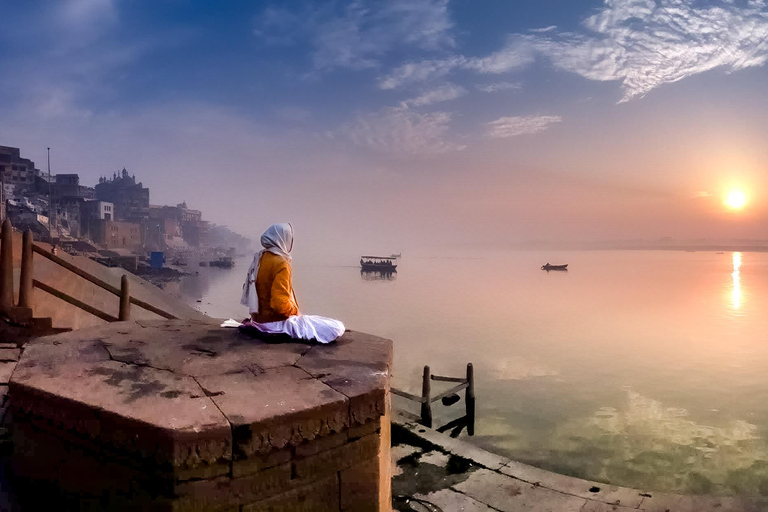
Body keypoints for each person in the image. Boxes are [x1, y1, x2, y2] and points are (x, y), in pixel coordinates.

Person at [240, 223, 344, 343]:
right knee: (336, 326)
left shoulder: (259, 258)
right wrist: (295, 312)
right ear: (283, 239)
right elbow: (279, 305)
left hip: (258, 321)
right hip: (276, 325)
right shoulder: (281, 263)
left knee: (316, 321)